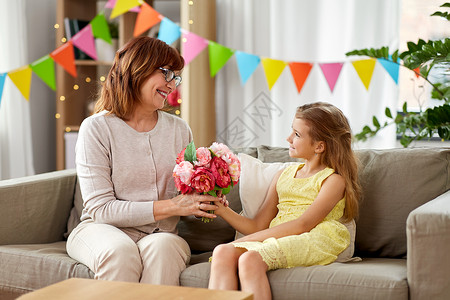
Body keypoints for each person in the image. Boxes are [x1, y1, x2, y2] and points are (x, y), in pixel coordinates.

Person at [66, 36, 222, 286]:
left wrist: (207, 198)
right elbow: (101, 209)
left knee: (164, 250)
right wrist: (173, 206)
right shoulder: (96, 128)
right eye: (167, 73)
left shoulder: (179, 129)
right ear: (137, 68)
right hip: (101, 229)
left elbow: (187, 196)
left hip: (161, 234)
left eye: (176, 77)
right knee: (120, 252)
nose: (172, 85)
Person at [208, 102, 361, 299]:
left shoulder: (333, 180)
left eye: (297, 135)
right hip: (280, 235)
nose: (288, 138)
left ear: (319, 146)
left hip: (315, 236)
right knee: (222, 252)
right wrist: (221, 209)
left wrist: (248, 240)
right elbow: (257, 226)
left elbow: (303, 224)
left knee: (250, 260)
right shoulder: (283, 175)